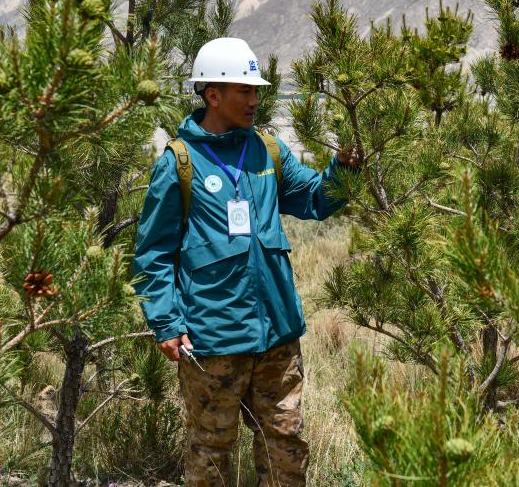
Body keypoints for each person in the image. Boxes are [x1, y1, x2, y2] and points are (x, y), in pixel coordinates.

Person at [132, 37, 358, 486]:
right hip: (213, 339)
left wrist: (343, 169)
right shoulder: (180, 162)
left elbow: (315, 200)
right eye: (244, 90)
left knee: (285, 445)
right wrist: (166, 323)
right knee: (210, 452)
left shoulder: (268, 151)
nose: (255, 100)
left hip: (278, 335)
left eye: (257, 91)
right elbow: (152, 254)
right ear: (212, 94)